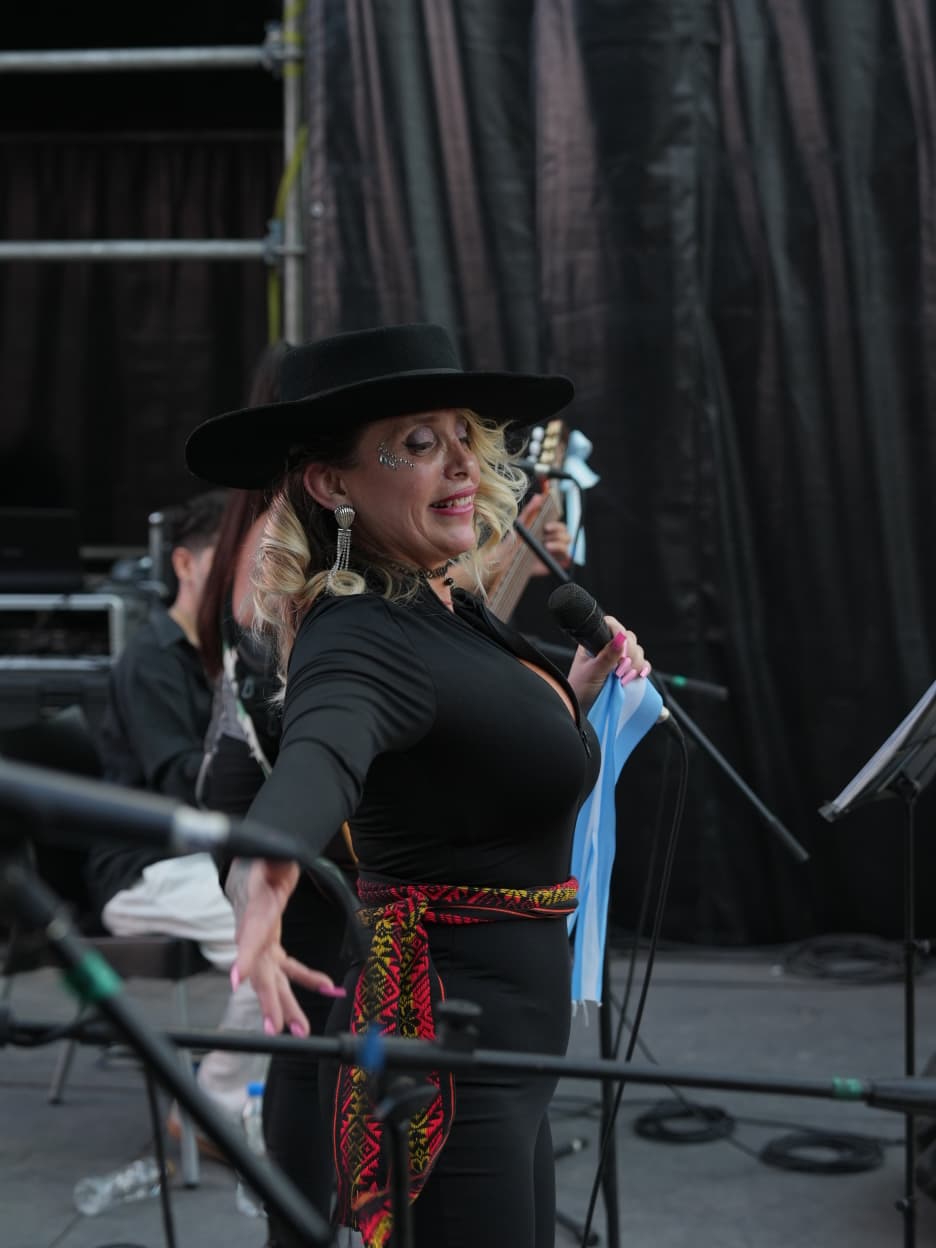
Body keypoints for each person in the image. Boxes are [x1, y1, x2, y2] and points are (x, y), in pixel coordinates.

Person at [184, 322, 647, 1248]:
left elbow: (470, 738)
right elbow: (320, 758)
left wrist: (571, 693)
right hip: (444, 1057)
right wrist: (264, 879)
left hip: (505, 1050)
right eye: (419, 444)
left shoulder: (443, 597)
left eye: (464, 437)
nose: (462, 465)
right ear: (333, 484)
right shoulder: (357, 629)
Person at [84, 488, 269, 1149]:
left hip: (201, 858)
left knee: (301, 913)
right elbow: (184, 782)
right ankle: (212, 1105)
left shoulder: (235, 650)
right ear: (186, 564)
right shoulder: (151, 659)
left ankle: (259, 1098)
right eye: (231, 560)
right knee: (271, 930)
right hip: (144, 869)